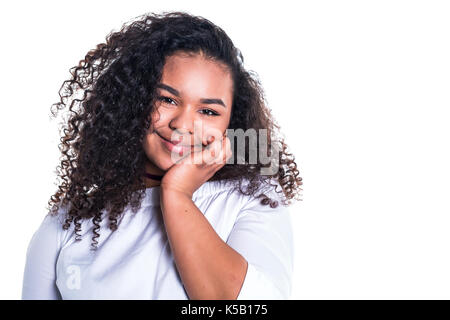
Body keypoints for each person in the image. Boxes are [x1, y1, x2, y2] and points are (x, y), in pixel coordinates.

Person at [21, 11, 303, 300]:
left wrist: (177, 194)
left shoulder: (253, 200)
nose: (182, 124)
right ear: (134, 100)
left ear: (231, 123)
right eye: (167, 99)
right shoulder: (66, 223)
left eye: (208, 111)